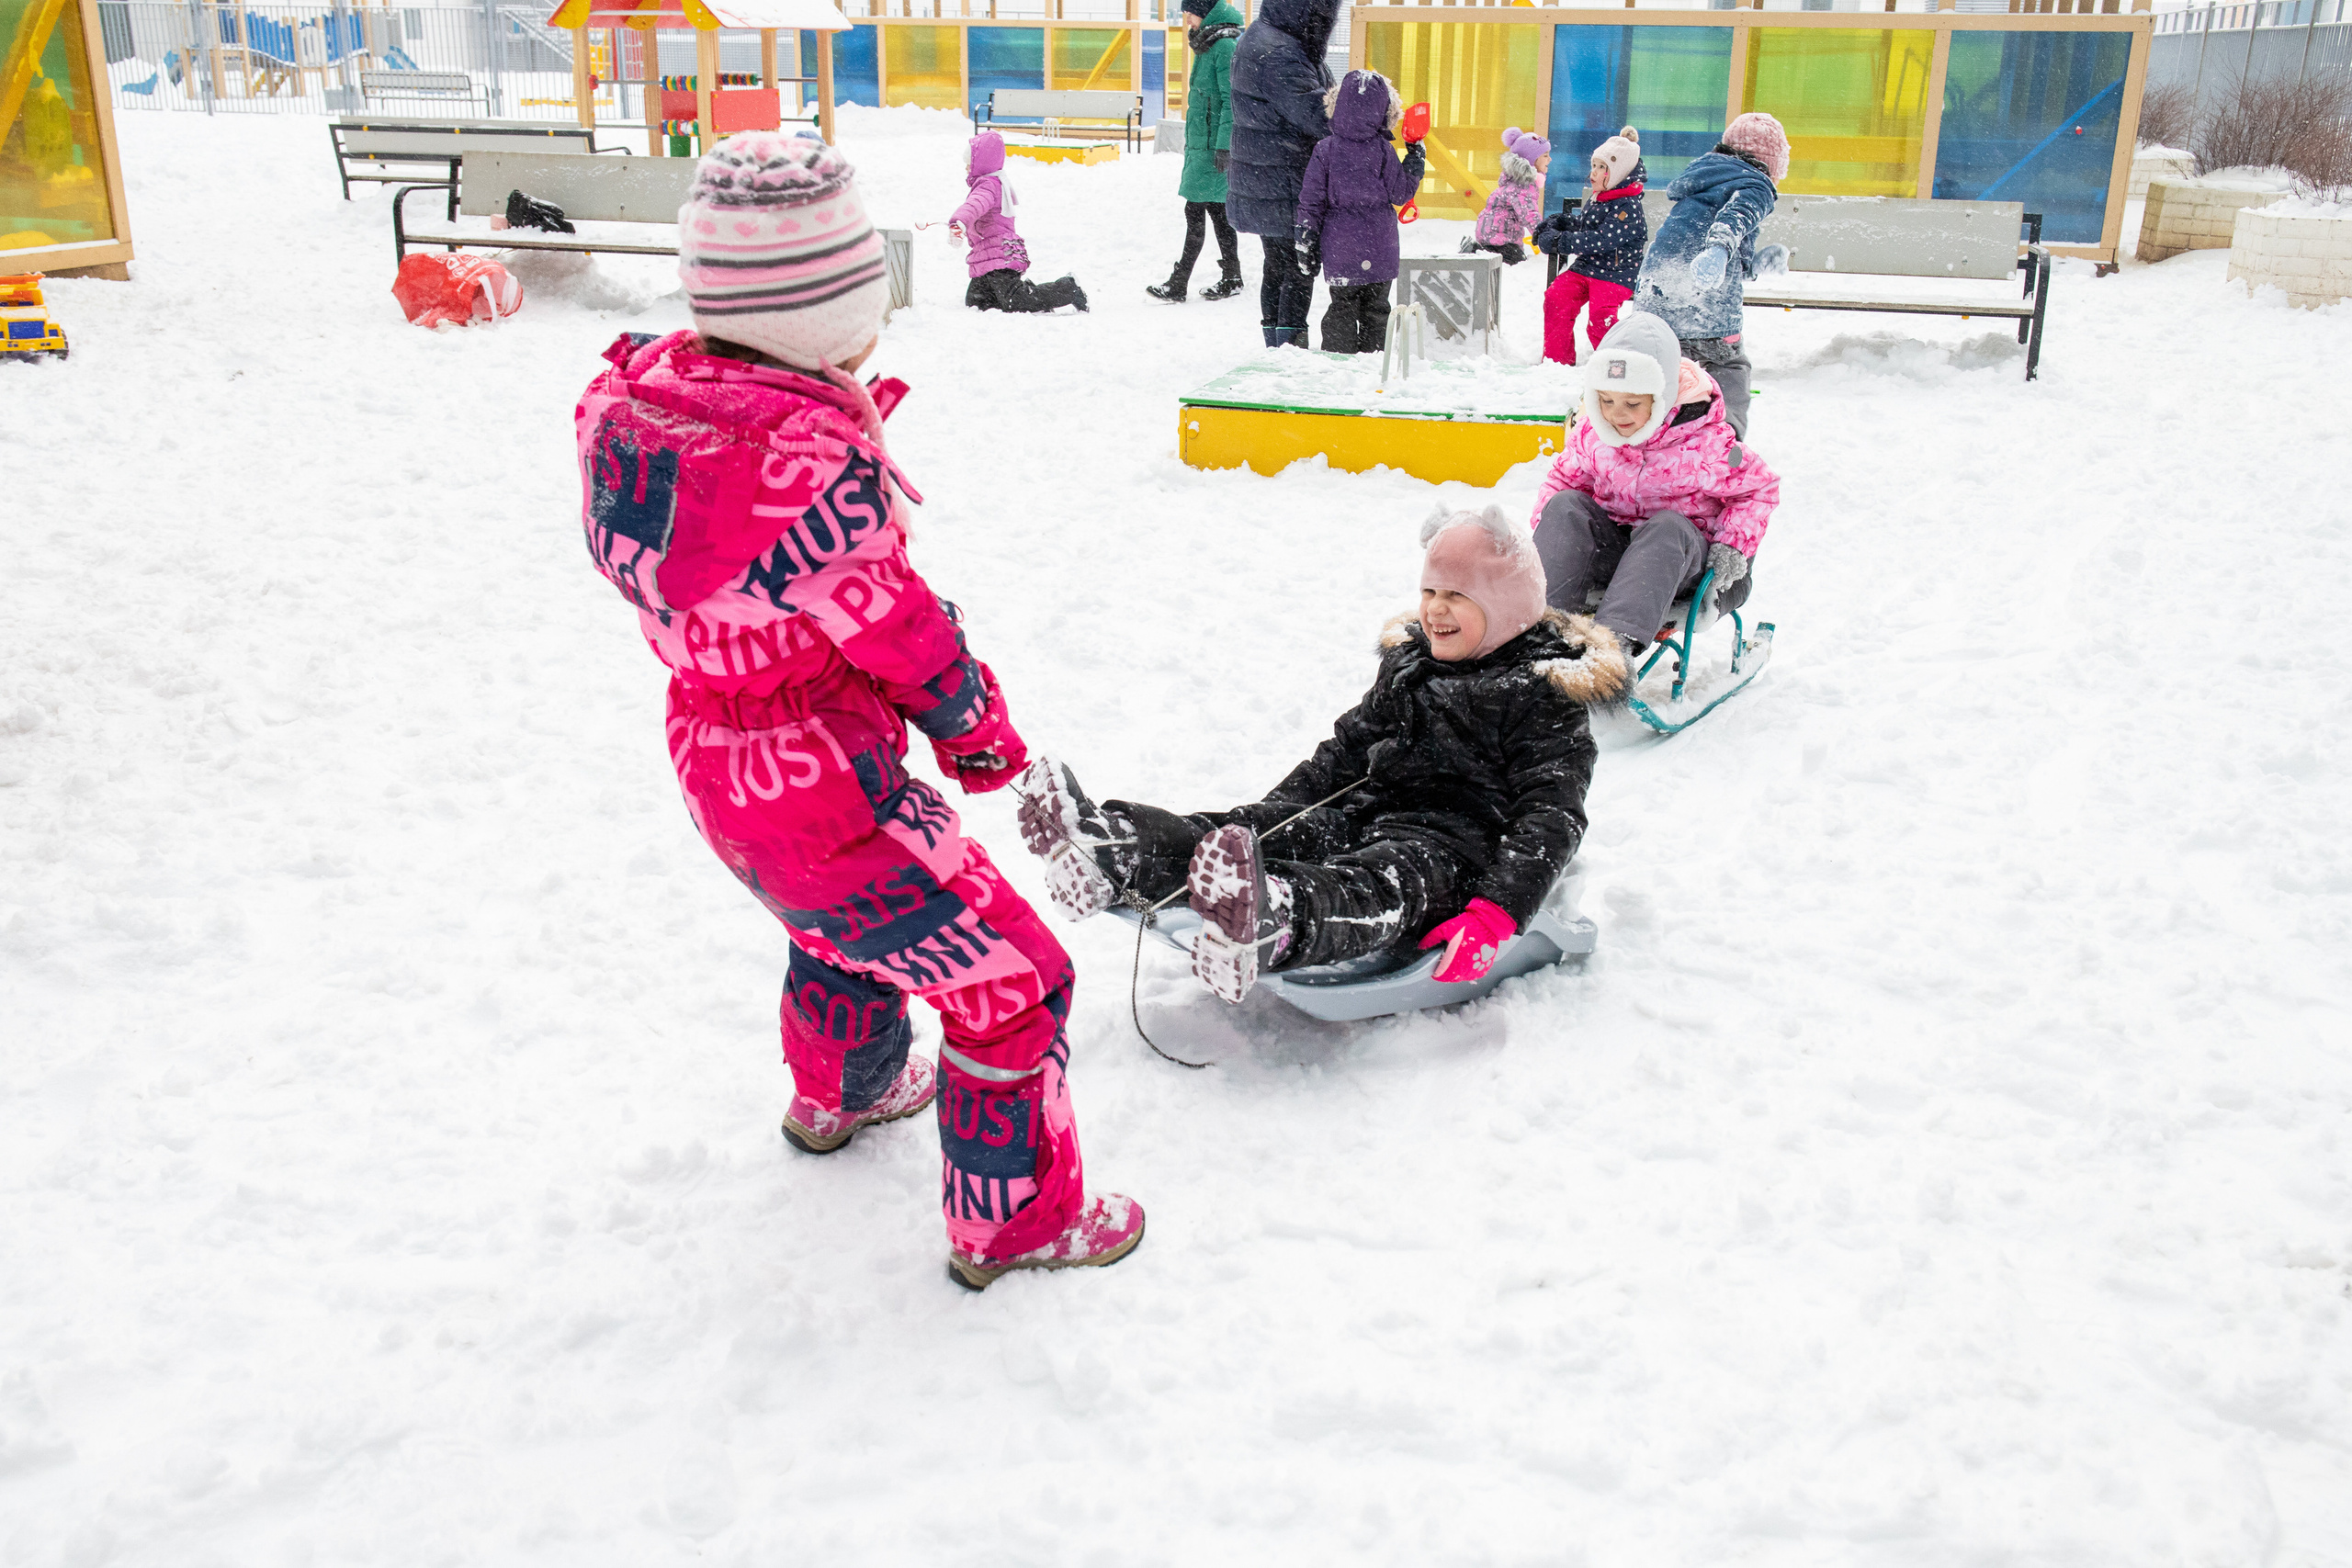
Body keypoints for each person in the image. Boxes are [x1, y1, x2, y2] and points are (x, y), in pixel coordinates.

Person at [574, 132, 1139, 1291]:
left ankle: (847, 1089)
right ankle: (1018, 1224)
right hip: (823, 771)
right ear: (822, 317)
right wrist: (980, 731)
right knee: (1009, 986)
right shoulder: (803, 462)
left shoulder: (637, 410)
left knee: (840, 923)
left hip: (713, 754)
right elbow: (900, 630)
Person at [1017, 508, 1610, 1005]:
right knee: (1261, 828)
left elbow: (1551, 815)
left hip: (1452, 847)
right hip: (1366, 808)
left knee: (1379, 881)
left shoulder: (1541, 694)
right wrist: (1275, 817)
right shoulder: (1410, 664)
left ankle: (1274, 921)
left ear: (1506, 607)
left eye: (1457, 596)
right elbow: (1346, 750)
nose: (1434, 609)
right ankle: (1116, 851)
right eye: (1429, 591)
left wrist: (1497, 913)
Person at [1528, 310, 1781, 695]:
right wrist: (1552, 539)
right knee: (1564, 505)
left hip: (1679, 564)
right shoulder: (1594, 434)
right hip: (1615, 555)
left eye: (1632, 404)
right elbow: (1563, 480)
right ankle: (1540, 630)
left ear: (1662, 398)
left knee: (1667, 525)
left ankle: (1614, 647)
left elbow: (1757, 489)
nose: (1617, 414)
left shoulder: (1707, 444)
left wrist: (1732, 547)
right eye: (1607, 400)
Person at [1627, 111, 1791, 436]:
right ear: (1771, 163)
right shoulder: (1755, 184)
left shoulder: (1705, 179)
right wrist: (1718, 249)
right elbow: (1736, 218)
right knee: (1729, 369)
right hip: (1706, 310)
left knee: (1663, 371)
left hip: (1656, 299)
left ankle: (1652, 438)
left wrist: (1753, 265)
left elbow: (1705, 242)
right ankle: (1725, 442)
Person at [1228, 0, 1341, 347]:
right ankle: (1289, 348)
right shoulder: (1279, 53)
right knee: (1298, 266)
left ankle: (1277, 344)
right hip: (1283, 178)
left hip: (1268, 175)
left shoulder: (1268, 37)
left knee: (1277, 264)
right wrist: (1366, 119)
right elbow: (1319, 115)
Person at [1295, 69, 1426, 354]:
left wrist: (1305, 236)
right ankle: (1373, 364)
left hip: (1340, 244)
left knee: (1342, 306)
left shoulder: (1325, 149)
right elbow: (1401, 193)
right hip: (1381, 242)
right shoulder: (1383, 150)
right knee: (1377, 309)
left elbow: (1311, 200)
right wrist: (1415, 160)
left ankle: (1339, 363)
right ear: (1384, 111)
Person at [1148, 0, 1247, 304]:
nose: (1186, 19)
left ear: (1204, 11)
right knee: (1217, 213)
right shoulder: (1208, 43)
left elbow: (1231, 102)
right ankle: (1232, 276)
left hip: (1213, 148)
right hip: (1202, 145)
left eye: (1189, 12)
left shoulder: (1223, 47)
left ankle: (1180, 282)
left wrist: (1224, 146)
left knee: (1198, 211)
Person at [1532, 125, 1648, 366]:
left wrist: (1561, 241)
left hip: (1616, 273)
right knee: (1557, 298)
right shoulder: (1601, 197)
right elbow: (1587, 227)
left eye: (1602, 168)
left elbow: (1602, 240)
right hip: (1587, 267)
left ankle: (1614, 366)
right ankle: (1558, 361)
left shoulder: (1628, 206)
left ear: (1617, 172)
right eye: (1593, 166)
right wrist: (1562, 223)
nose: (1593, 173)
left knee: (1600, 318)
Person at [949, 130, 1088, 315]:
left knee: (1016, 300)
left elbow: (974, 205)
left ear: (981, 163)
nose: (966, 167)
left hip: (999, 255)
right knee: (977, 301)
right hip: (988, 257)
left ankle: (1067, 288)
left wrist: (959, 221)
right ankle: (1031, 295)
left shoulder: (988, 186)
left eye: (969, 163)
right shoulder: (993, 182)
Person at [1462, 127, 1550, 265]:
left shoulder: (1514, 181)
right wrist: (1546, 237)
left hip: (1493, 235)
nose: (1549, 159)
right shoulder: (1523, 185)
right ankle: (1475, 252)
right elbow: (1529, 215)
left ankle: (1477, 250)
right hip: (1502, 240)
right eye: (1545, 155)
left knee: (1501, 259)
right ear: (1531, 160)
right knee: (1517, 262)